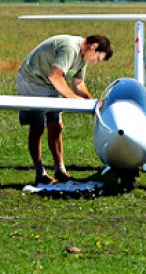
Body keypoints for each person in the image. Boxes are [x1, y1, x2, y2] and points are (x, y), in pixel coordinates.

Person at [16, 34, 113, 185]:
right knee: (38, 126)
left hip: (49, 84)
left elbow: (78, 83)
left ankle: (60, 170)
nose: (95, 62)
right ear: (93, 47)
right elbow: (55, 76)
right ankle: (39, 172)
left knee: (56, 125)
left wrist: (92, 102)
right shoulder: (70, 48)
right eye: (97, 58)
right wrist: (73, 99)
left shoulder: (83, 57)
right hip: (32, 80)